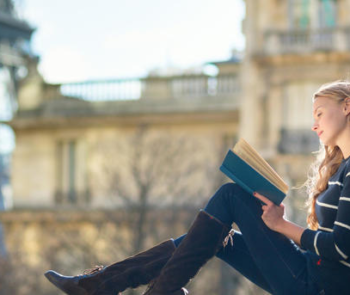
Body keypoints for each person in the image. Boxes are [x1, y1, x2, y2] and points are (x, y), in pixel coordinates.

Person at [45, 80, 350, 295]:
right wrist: (278, 222)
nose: (314, 124)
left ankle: (109, 286)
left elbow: (341, 247)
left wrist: (282, 226)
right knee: (220, 236)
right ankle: (103, 284)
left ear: (347, 106)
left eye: (320, 113)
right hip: (309, 271)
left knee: (230, 196)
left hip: (316, 285)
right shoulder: (338, 169)